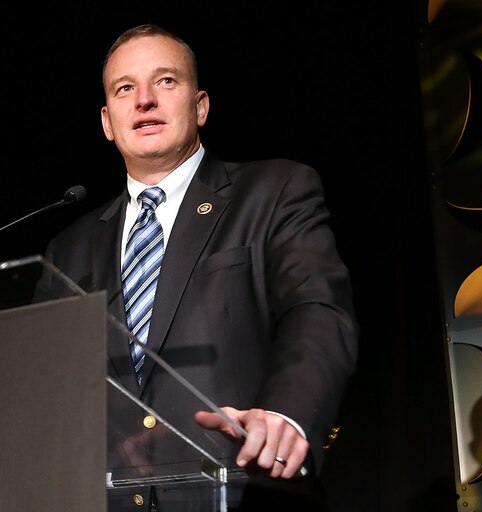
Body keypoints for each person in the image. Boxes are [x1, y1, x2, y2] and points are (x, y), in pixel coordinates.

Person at [37, 23, 358, 510]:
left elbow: (316, 311)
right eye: (125, 88)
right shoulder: (68, 248)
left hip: (247, 490)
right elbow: (47, 387)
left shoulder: (274, 191)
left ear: (201, 105)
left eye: (165, 82)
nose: (144, 100)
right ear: (107, 121)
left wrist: (287, 416)